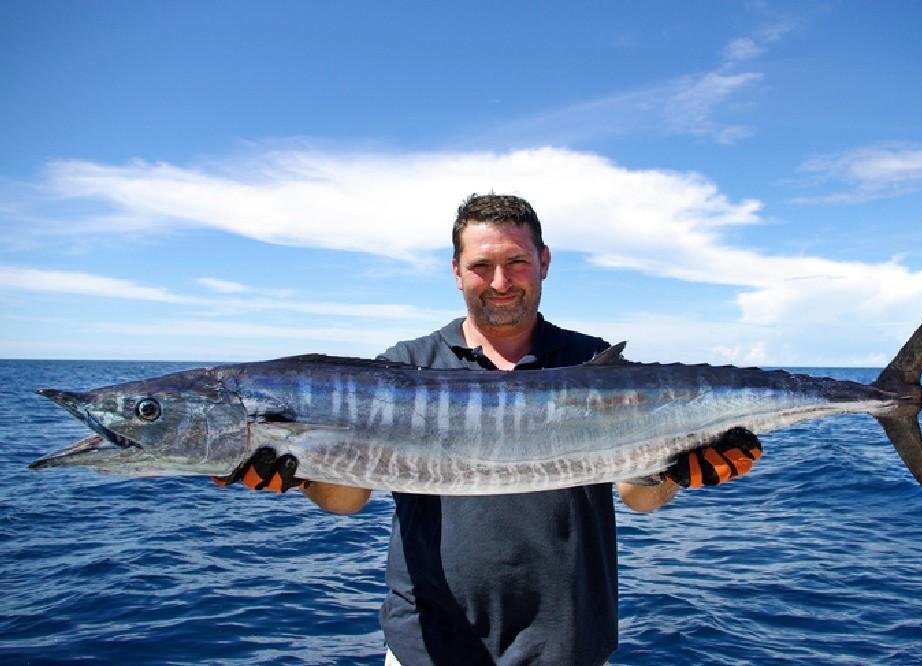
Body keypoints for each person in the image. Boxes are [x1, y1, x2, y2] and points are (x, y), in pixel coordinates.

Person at [215, 194, 762, 665]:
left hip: (569, 647)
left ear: (543, 262)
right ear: (456, 270)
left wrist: (677, 473)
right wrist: (303, 476)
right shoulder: (404, 367)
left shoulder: (591, 362)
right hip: (427, 647)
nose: (500, 282)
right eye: (482, 265)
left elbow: (639, 497)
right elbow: (348, 498)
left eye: (516, 261)